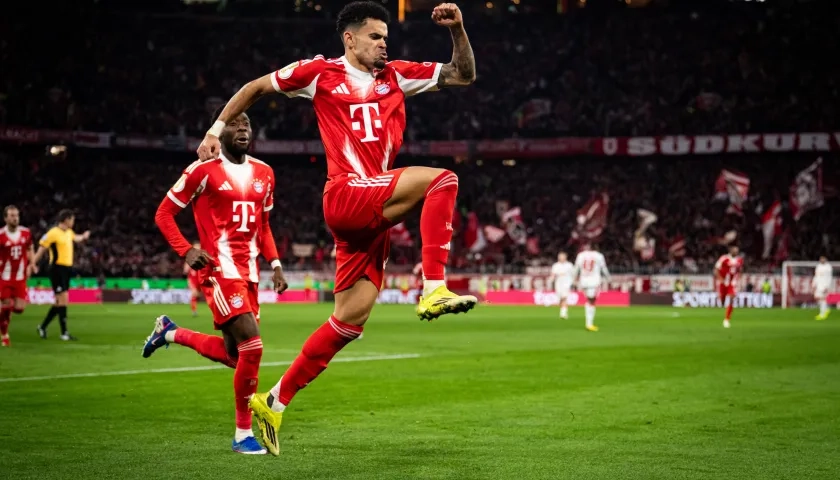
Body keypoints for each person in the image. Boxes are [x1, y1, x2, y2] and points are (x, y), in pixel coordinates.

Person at [195, 2, 476, 455]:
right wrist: (216, 128)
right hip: (347, 194)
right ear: (349, 38)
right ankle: (434, 286)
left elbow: (462, 75)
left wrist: (458, 29)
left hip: (373, 208)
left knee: (349, 320)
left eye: (386, 37)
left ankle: (274, 401)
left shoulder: (398, 75)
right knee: (443, 179)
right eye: (375, 36)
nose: (384, 43)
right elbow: (255, 87)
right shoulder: (317, 73)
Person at [146, 111, 288, 454]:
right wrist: (186, 249)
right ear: (218, 133)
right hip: (218, 271)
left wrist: (276, 263)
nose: (243, 129)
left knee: (235, 356)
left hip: (250, 273)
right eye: (235, 124)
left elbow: (264, 226)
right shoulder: (201, 171)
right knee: (252, 347)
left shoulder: (265, 173)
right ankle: (242, 436)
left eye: (248, 124)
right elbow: (163, 214)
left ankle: (169, 332)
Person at [32, 209, 90, 341]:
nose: (73, 222)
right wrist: (33, 263)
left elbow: (77, 238)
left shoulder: (69, 233)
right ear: (66, 220)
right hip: (56, 269)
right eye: (72, 220)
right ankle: (64, 333)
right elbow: (42, 248)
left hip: (67, 269)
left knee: (60, 302)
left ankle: (43, 327)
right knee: (63, 300)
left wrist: (85, 236)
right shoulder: (53, 233)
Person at [0, 206, 35, 347]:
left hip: (20, 277)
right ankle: (5, 336)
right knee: (7, 306)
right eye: (12, 215)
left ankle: (2, 308)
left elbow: (30, 247)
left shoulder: (26, 233)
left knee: (20, 308)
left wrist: (32, 263)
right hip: (5, 277)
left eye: (17, 215)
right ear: (5, 218)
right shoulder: (1, 235)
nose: (15, 218)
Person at [573, 244, 610, 332]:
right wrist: (608, 277)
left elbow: (576, 268)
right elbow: (603, 268)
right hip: (594, 281)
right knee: (592, 301)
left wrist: (574, 279)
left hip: (584, 281)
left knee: (588, 300)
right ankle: (589, 324)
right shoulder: (599, 256)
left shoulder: (580, 255)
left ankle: (588, 323)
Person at [715, 244, 743, 329]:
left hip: (732, 283)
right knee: (722, 300)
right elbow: (716, 269)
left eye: (737, 250)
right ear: (731, 250)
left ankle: (726, 319)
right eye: (735, 249)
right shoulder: (724, 258)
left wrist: (738, 279)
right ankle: (723, 305)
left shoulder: (739, 260)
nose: (736, 251)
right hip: (723, 282)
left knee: (731, 298)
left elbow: (740, 270)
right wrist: (720, 279)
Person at [548, 252, 574, 319]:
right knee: (560, 299)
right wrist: (550, 281)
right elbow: (553, 274)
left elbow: (573, 274)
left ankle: (563, 314)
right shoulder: (556, 265)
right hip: (558, 283)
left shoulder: (569, 265)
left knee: (564, 298)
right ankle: (562, 310)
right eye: (560, 256)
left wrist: (573, 282)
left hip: (567, 283)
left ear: (565, 257)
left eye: (563, 256)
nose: (561, 258)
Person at [184, 241, 202, 316]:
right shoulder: (190, 258)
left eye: (199, 247)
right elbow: (185, 270)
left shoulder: (203, 257)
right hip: (193, 279)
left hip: (201, 279)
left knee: (198, 295)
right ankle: (194, 311)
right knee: (194, 294)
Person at [813, 256, 832, 321]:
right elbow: (816, 275)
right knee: (817, 298)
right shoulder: (818, 266)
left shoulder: (828, 267)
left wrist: (827, 286)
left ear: (826, 259)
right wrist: (813, 284)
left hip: (824, 286)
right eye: (821, 258)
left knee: (823, 299)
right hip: (818, 285)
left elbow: (829, 277)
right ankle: (826, 309)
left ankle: (822, 314)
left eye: (823, 258)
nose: (822, 260)